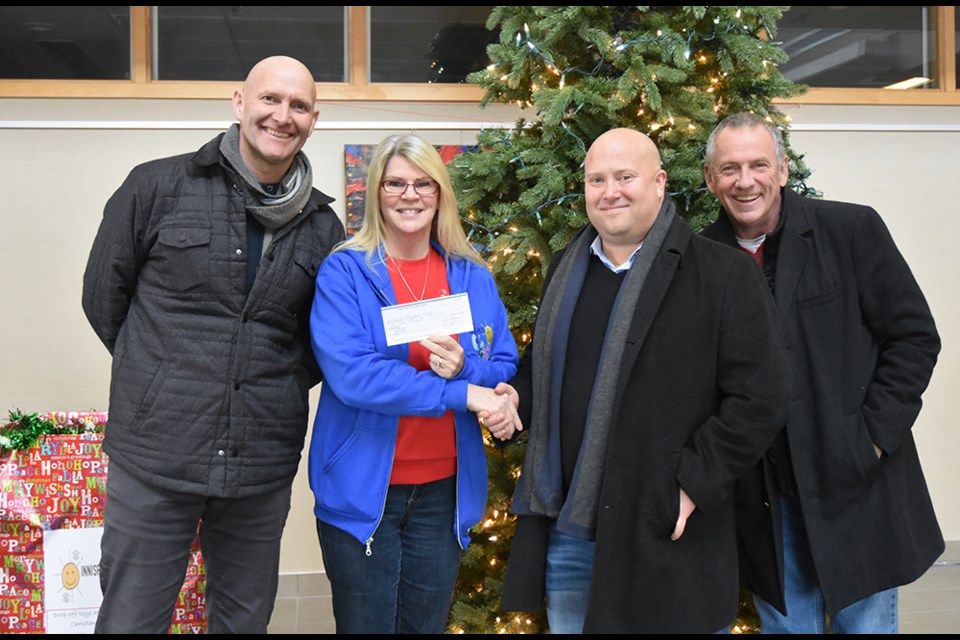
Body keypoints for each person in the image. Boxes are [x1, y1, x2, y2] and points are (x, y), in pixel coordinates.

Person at [82, 56, 344, 633]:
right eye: (270, 99)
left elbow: (316, 344)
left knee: (243, 622)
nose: (282, 116)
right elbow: (105, 299)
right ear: (239, 102)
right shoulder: (156, 185)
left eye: (298, 106)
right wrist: (163, 374)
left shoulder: (325, 228)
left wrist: (261, 382)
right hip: (155, 454)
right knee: (130, 619)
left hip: (260, 463)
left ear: (314, 118)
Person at [495, 127, 791, 634]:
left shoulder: (720, 274)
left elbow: (761, 397)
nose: (610, 191)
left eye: (625, 177)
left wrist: (692, 485)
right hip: (570, 531)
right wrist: (515, 394)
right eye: (597, 179)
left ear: (658, 183)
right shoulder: (568, 266)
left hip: (666, 530)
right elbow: (545, 369)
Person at [702, 112, 943, 634]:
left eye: (759, 165)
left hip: (854, 481)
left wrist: (873, 438)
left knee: (869, 626)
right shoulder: (701, 260)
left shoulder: (851, 230)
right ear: (710, 179)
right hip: (766, 496)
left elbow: (915, 338)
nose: (745, 181)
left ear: (784, 170)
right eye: (730, 168)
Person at [307, 133, 520, 634]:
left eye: (424, 183)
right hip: (364, 495)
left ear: (440, 194)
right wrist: (457, 392)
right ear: (376, 193)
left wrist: (466, 369)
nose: (410, 195)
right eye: (396, 183)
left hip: (443, 492)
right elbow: (353, 375)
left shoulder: (471, 276)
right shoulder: (346, 272)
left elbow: (503, 361)